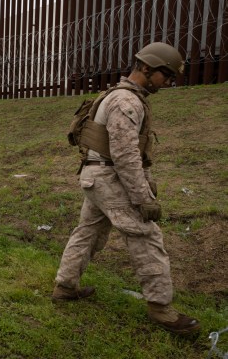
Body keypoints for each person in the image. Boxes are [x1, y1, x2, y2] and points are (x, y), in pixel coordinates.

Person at [52, 42, 200, 336]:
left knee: (88, 232)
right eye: (166, 75)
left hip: (97, 176)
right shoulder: (126, 102)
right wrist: (143, 197)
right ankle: (161, 309)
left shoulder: (118, 96)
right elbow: (125, 155)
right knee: (146, 236)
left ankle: (65, 286)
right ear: (147, 68)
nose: (169, 82)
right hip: (111, 177)